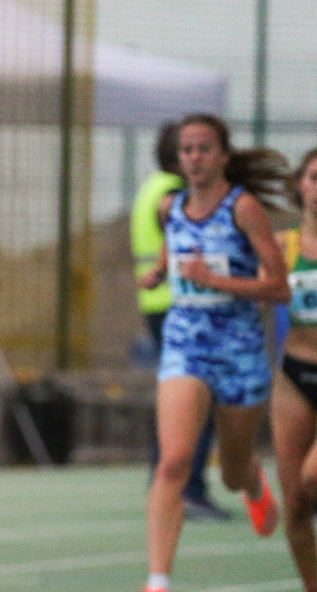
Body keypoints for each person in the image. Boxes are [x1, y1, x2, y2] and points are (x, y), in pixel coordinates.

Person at [132, 113, 290, 592]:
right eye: (187, 150)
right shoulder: (169, 207)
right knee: (173, 461)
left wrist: (213, 280)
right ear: (178, 159)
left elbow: (279, 287)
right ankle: (158, 588)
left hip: (239, 349)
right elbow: (176, 248)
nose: (195, 158)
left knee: (232, 469)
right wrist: (161, 270)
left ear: (223, 154)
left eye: (204, 148)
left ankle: (252, 483)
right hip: (185, 343)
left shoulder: (244, 208)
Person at [131, 121, 229, 522]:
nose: (198, 157)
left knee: (177, 400)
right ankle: (188, 489)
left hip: (161, 304)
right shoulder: (172, 197)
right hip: (181, 305)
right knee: (195, 400)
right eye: (190, 148)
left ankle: (168, 482)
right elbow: (188, 239)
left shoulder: (152, 188)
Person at [271, 147, 317, 592]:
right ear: (300, 185)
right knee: (297, 500)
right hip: (293, 378)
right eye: (315, 178)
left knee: (312, 477)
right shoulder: (282, 245)